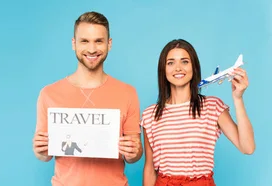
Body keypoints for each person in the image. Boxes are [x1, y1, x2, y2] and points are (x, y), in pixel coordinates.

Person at [32, 11, 143, 186]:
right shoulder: (49, 94)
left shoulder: (127, 93)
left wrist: (133, 151)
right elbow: (44, 155)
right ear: (74, 44)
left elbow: (134, 156)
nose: (92, 49)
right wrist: (40, 149)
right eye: (85, 41)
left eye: (98, 41)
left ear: (109, 44)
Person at [140, 39, 256, 186]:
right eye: (170, 62)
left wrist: (238, 98)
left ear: (194, 67)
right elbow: (150, 169)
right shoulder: (150, 114)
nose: (178, 68)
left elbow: (248, 147)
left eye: (184, 61)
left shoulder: (212, 106)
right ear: (163, 70)